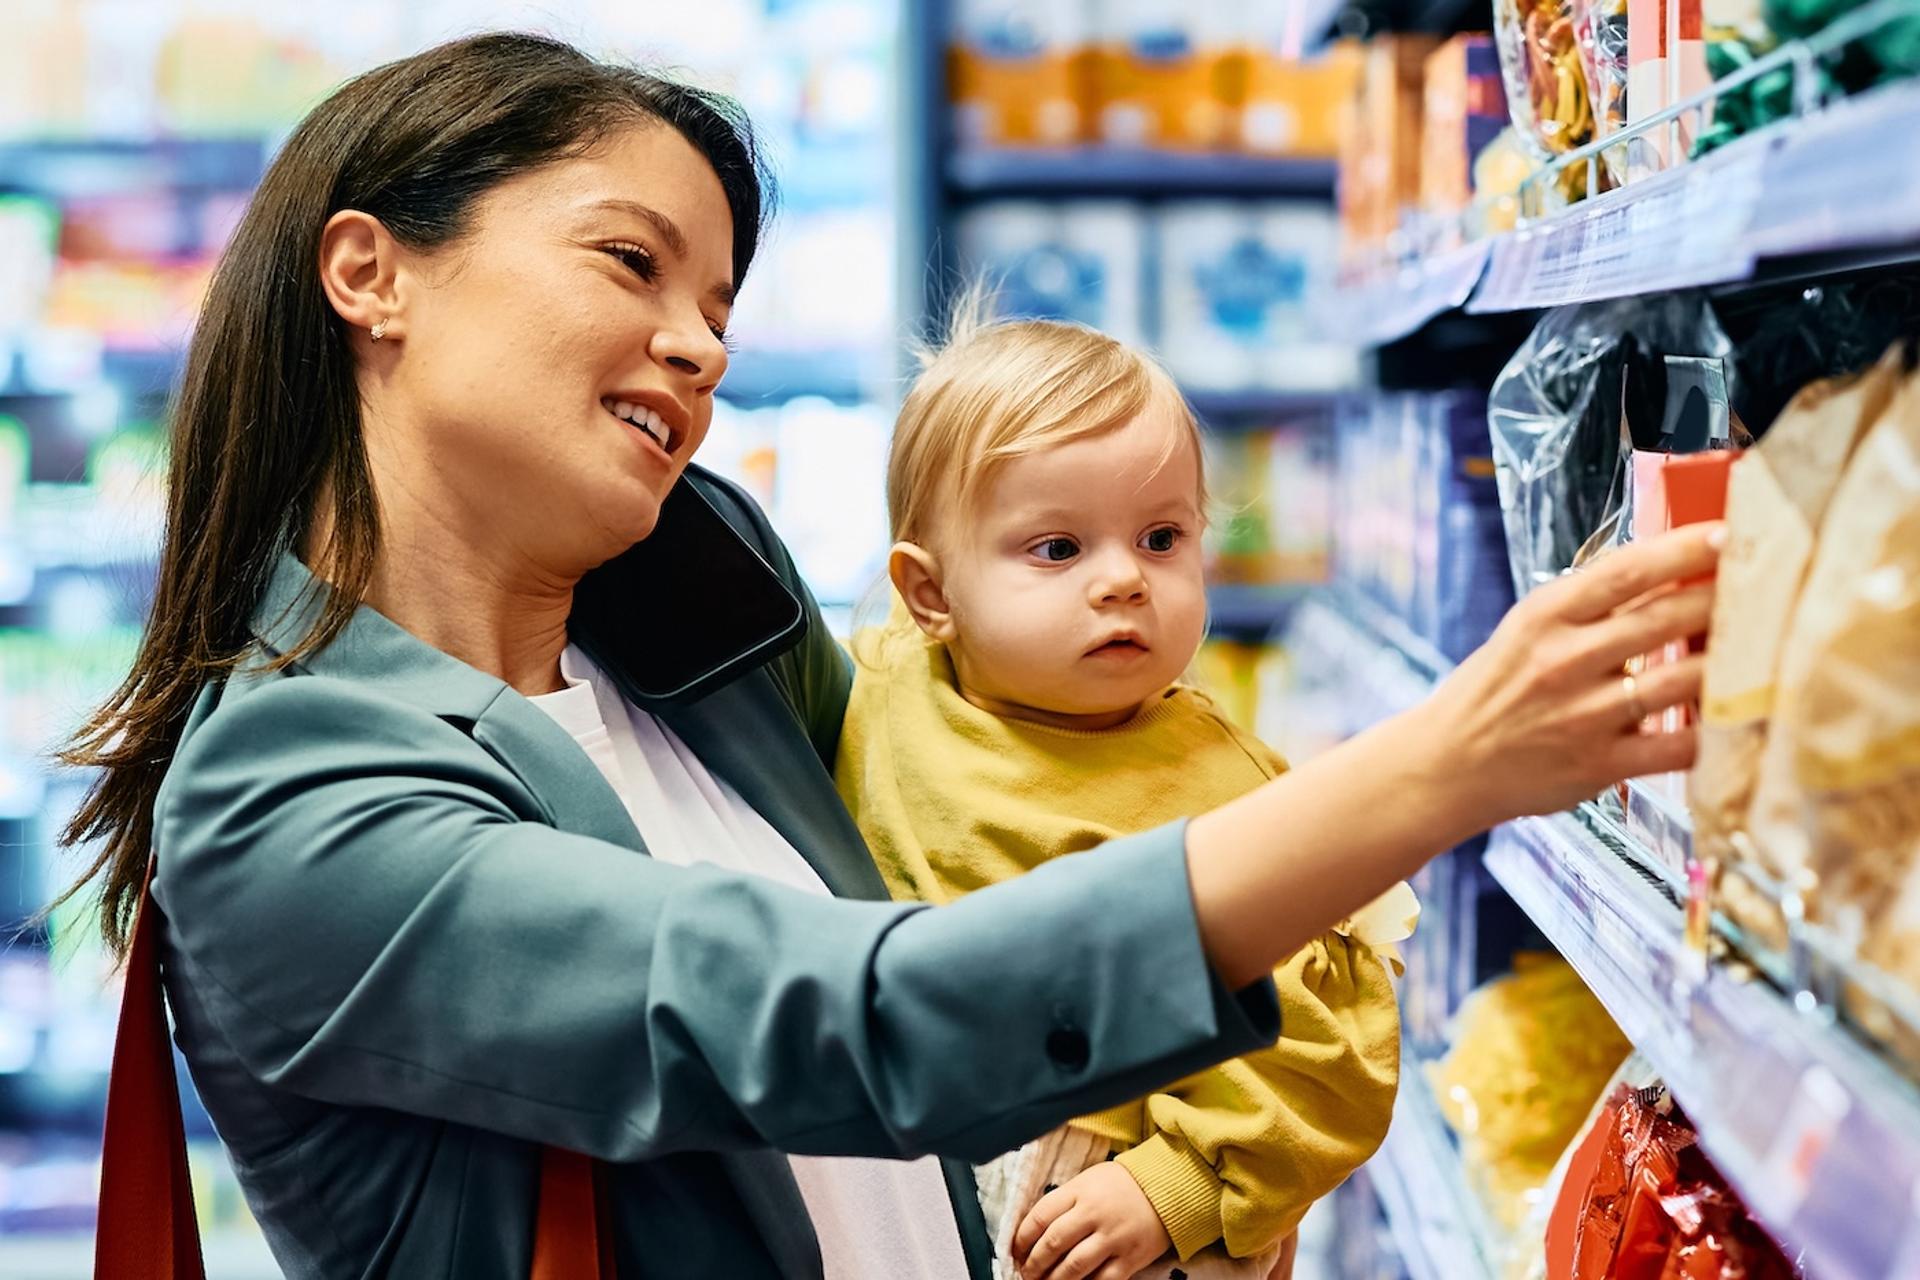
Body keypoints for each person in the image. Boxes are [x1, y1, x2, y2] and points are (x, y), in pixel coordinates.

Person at [55, 32, 1719, 1280]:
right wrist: (1447, 764)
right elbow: (860, 1016)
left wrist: (1195, 1174)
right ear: (373, 273)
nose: (698, 341)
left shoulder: (705, 631)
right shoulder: (288, 794)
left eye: (720, 298)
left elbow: (996, 917)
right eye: (635, 262)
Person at [834, 313, 1418, 1280]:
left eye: (1161, 538)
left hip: (1117, 1191)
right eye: (1058, 549)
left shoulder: (1228, 795)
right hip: (923, 1153)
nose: (1123, 581)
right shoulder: (886, 690)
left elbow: (1335, 1047)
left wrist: (1177, 1184)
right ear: (929, 597)